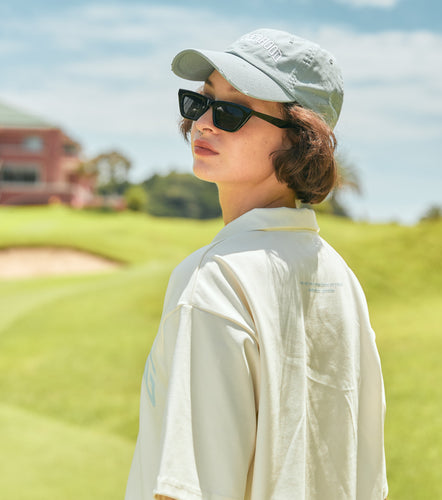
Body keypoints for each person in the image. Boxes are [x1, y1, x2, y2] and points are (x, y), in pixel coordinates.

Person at [125, 28, 388, 500]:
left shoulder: (215, 279)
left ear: (302, 140)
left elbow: (189, 490)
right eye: (199, 102)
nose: (203, 123)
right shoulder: (343, 282)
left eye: (231, 112)